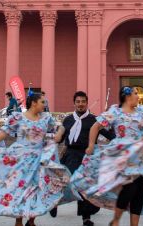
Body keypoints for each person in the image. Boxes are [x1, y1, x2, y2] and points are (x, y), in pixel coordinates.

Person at [0, 93, 69, 226]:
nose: (45, 105)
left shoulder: (46, 118)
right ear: (34, 103)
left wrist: (59, 133)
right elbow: (4, 133)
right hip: (20, 159)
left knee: (36, 189)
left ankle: (31, 220)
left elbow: (60, 127)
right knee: (19, 189)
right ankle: (19, 220)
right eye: (42, 102)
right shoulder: (18, 117)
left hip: (39, 159)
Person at [72, 86, 143, 226]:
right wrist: (91, 145)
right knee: (129, 188)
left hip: (142, 158)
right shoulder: (115, 111)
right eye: (135, 94)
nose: (138, 96)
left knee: (139, 191)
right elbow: (96, 126)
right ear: (127, 96)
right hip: (123, 158)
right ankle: (116, 220)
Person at [52, 91, 115, 226]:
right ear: (74, 103)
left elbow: (109, 135)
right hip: (70, 155)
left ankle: (86, 218)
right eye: (78, 102)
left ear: (87, 103)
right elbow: (61, 138)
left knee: (84, 187)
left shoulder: (95, 120)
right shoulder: (68, 119)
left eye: (83, 102)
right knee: (64, 183)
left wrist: (122, 139)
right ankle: (54, 203)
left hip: (87, 157)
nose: (80, 104)